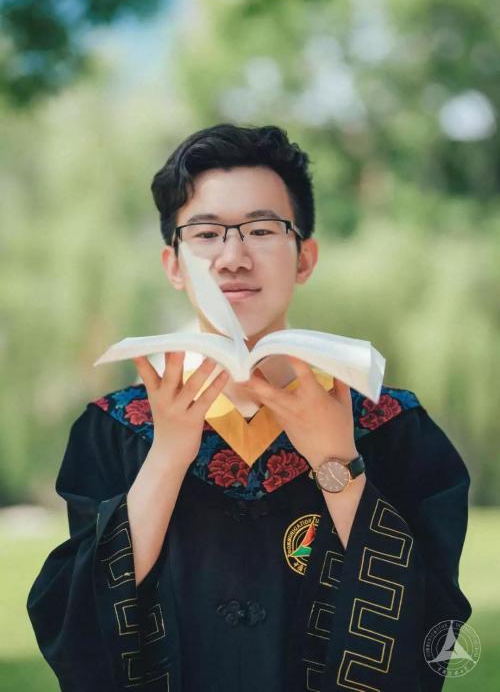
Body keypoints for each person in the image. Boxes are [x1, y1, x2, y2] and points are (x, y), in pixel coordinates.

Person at [27, 124, 471, 692]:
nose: (233, 258)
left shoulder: (392, 425)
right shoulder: (115, 429)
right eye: (206, 233)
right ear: (173, 264)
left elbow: (432, 630)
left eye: (261, 230)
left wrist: (337, 461)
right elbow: (76, 629)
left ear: (304, 257)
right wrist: (167, 456)